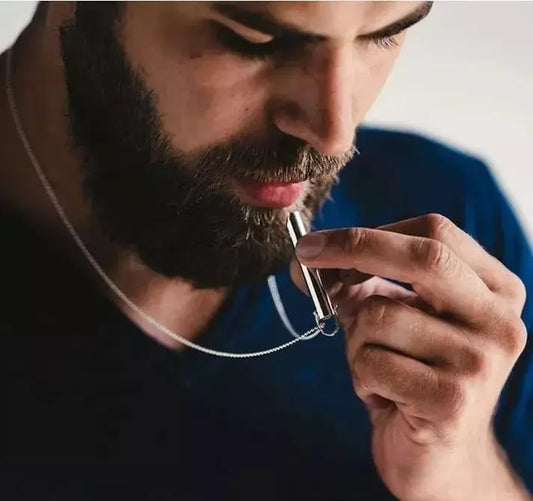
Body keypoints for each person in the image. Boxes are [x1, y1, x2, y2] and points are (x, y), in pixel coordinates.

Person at [1, 2, 531, 499]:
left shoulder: (446, 222)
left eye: (385, 32)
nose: (333, 133)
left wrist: (460, 474)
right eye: (255, 40)